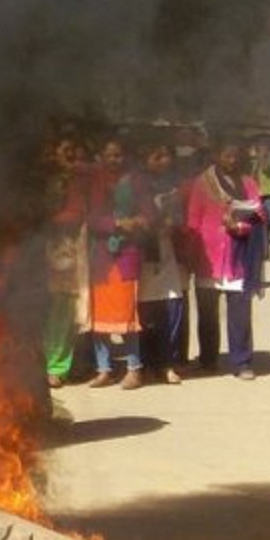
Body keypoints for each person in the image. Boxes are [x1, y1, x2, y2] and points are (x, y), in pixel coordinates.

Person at [184, 140, 266, 379]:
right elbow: (193, 219)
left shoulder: (249, 183)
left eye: (235, 155)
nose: (232, 160)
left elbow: (259, 214)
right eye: (227, 155)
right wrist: (190, 252)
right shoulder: (202, 183)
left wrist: (239, 226)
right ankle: (208, 360)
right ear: (216, 155)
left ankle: (242, 362)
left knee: (240, 312)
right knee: (207, 314)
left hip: (238, 256)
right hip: (207, 257)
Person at [84, 138, 155, 389]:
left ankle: (134, 368)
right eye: (110, 155)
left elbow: (149, 214)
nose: (115, 160)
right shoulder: (94, 181)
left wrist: (137, 222)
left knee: (127, 315)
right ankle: (104, 369)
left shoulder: (136, 180)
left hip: (127, 254)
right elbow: (90, 217)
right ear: (101, 156)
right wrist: (114, 224)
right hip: (101, 257)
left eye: (119, 155)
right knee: (98, 316)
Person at [137, 143, 187, 386]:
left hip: (168, 252)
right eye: (158, 155)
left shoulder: (174, 184)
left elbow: (181, 216)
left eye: (167, 155)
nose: (163, 161)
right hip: (143, 254)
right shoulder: (133, 184)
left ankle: (168, 362)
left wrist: (172, 222)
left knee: (172, 308)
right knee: (145, 312)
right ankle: (147, 364)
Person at [41, 136, 88, 387]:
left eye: (73, 151)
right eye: (65, 150)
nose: (70, 156)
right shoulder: (40, 180)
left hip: (66, 255)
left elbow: (77, 213)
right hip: (36, 254)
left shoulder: (78, 182)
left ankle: (56, 367)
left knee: (63, 312)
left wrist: (46, 219)